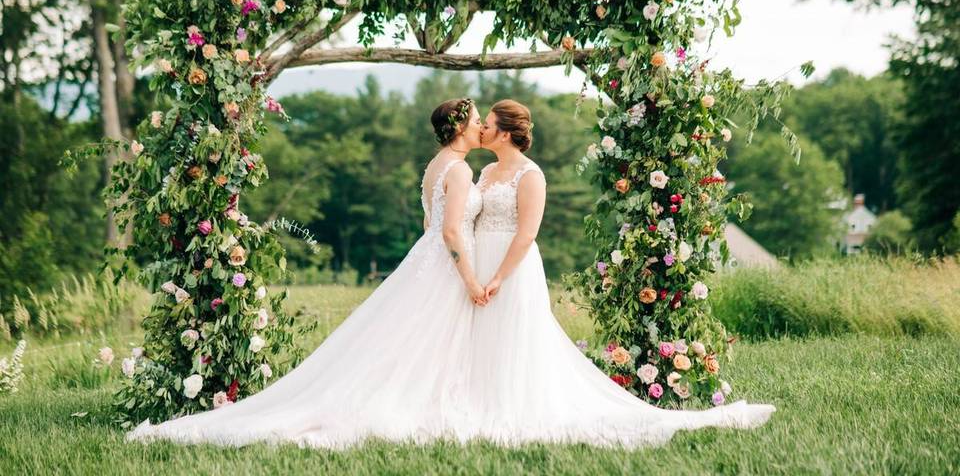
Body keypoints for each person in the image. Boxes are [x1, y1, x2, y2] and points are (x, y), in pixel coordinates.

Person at [127, 98, 488, 448]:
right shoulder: (459, 169)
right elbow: (450, 230)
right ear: (458, 128)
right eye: (475, 122)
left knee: (413, 340)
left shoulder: (435, 165)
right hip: (447, 266)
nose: (481, 127)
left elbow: (429, 221)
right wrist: (471, 279)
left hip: (426, 261)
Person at [466, 99, 775, 447]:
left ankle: (515, 407)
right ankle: (481, 401)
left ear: (505, 134)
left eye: (488, 125)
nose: (481, 129)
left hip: (511, 270)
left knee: (514, 338)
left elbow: (527, 234)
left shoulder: (530, 175)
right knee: (484, 337)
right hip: (481, 263)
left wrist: (497, 277)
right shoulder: (487, 172)